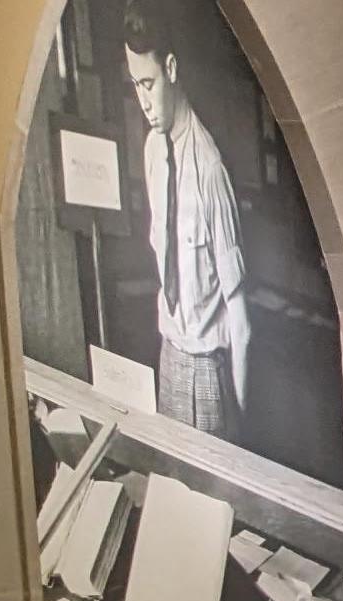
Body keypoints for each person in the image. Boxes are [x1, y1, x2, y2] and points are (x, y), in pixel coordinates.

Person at [123, 8, 250, 440]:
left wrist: (239, 422)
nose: (142, 101)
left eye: (148, 83)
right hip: (170, 354)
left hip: (209, 370)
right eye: (135, 85)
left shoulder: (210, 170)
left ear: (171, 69)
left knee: (211, 504)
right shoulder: (151, 150)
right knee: (170, 495)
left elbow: (241, 322)